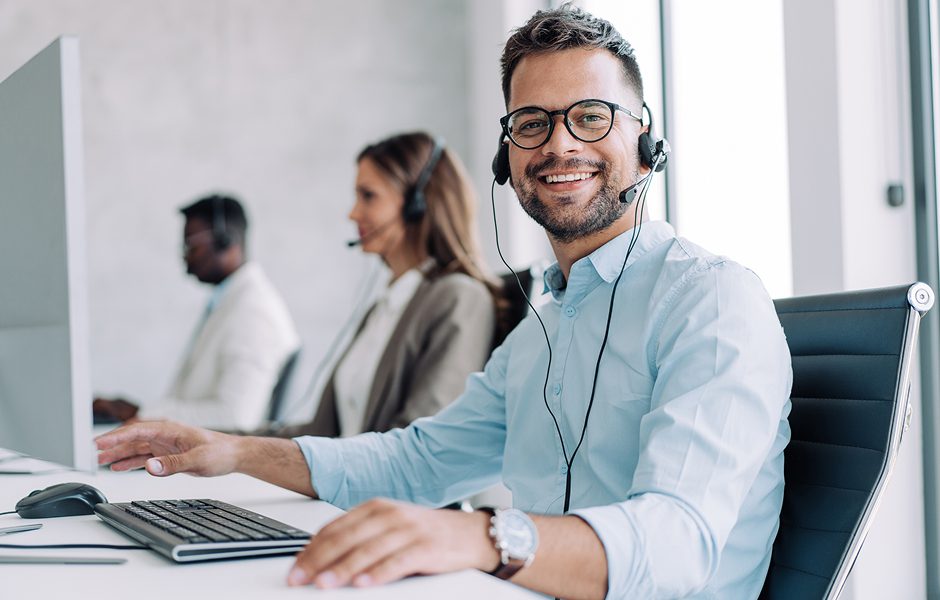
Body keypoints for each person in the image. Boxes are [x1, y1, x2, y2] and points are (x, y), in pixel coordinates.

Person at [96, 6, 792, 599]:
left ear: (646, 144)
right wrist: (231, 451)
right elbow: (413, 464)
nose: (559, 144)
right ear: (506, 158)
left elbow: (681, 543)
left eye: (590, 116)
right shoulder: (542, 332)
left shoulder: (712, 300)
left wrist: (484, 535)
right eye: (531, 124)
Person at [260, 132, 500, 438]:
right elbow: (320, 433)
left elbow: (423, 445)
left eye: (368, 196)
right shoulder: (385, 306)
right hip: (351, 484)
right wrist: (214, 440)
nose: (353, 213)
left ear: (418, 202)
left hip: (382, 487)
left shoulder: (459, 298)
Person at [93, 194, 301, 431]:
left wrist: (143, 415)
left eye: (191, 246)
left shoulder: (254, 312)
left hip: (216, 462)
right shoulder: (229, 302)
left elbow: (237, 417)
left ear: (225, 241)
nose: (185, 257)